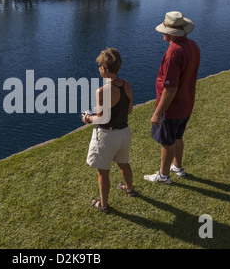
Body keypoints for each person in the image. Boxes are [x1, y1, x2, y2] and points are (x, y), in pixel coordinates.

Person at [144, 11, 200, 184]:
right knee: (177, 136)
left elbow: (170, 88)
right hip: (187, 103)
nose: (162, 33)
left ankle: (164, 175)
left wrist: (158, 113)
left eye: (164, 30)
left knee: (167, 141)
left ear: (169, 33)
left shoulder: (173, 52)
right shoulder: (193, 46)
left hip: (173, 108)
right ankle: (178, 167)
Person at [82, 48, 134, 214]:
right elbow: (129, 109)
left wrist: (88, 118)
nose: (99, 69)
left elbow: (102, 119)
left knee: (103, 172)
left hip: (107, 136)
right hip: (124, 133)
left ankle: (103, 205)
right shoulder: (126, 84)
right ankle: (129, 189)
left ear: (104, 68)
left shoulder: (102, 91)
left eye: (99, 66)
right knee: (123, 164)